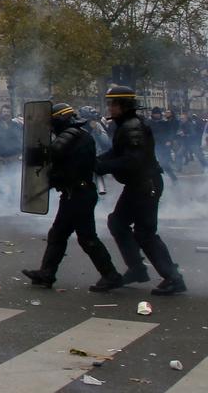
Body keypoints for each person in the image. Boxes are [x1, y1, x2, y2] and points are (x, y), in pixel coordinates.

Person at [21, 104, 124, 292]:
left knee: (86, 237)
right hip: (74, 193)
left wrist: (33, 152)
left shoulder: (72, 135)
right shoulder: (80, 135)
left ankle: (111, 275)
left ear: (60, 120)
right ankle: (47, 273)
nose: (51, 127)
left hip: (79, 195)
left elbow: (51, 153)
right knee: (58, 234)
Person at [97, 85, 187, 296]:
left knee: (145, 232)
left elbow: (133, 160)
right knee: (117, 222)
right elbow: (118, 151)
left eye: (112, 104)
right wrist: (98, 160)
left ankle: (173, 278)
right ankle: (137, 268)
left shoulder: (132, 127)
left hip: (145, 185)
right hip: (139, 184)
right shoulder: (126, 125)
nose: (109, 108)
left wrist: (104, 166)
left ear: (123, 105)